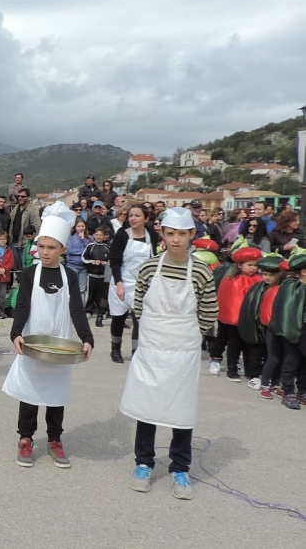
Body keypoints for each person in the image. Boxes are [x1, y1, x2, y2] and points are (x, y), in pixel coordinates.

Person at [120, 207, 217, 500]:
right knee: (146, 408)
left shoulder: (200, 270)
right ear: (162, 234)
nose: (176, 240)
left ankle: (180, 467)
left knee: (181, 410)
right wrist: (155, 332)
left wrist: (186, 334)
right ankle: (143, 463)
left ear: (192, 235)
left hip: (184, 351)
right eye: (171, 233)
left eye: (182, 234)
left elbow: (209, 312)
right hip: (152, 349)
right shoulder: (150, 267)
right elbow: (138, 306)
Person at [4, 206, 94, 468]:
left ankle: (55, 440)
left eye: (51, 247)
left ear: (63, 249)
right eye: (41, 246)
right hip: (33, 343)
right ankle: (25, 438)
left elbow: (76, 309)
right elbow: (22, 306)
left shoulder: (71, 276)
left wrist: (87, 338)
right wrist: (16, 333)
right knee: (30, 395)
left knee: (56, 397)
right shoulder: (31, 273)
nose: (44, 252)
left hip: (60, 346)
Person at [108, 204, 158, 363]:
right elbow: (114, 262)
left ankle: (136, 350)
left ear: (146, 218)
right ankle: (115, 348)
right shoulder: (122, 235)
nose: (133, 218)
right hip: (122, 278)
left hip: (142, 281)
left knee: (139, 317)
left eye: (137, 215)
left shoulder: (152, 235)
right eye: (131, 215)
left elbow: (155, 258)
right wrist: (119, 284)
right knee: (119, 317)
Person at [206, 246, 263, 381]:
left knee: (245, 345)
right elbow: (231, 301)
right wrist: (235, 318)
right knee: (232, 343)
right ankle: (229, 367)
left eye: (255, 265)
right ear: (239, 265)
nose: (253, 268)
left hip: (248, 321)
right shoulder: (232, 280)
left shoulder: (258, 280)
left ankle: (246, 369)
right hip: (233, 320)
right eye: (249, 265)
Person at [238, 253, 285, 396]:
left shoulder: (283, 287)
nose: (267, 278)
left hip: (274, 327)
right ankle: (253, 376)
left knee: (273, 355)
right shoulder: (258, 288)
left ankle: (272, 381)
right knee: (256, 352)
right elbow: (250, 308)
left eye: (271, 275)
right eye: (264, 274)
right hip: (258, 326)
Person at [269, 253, 306, 409]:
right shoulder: (292, 287)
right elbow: (285, 310)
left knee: (305, 363)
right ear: (304, 271)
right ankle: (288, 392)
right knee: (290, 361)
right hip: (291, 330)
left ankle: (303, 391)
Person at [83, 226, 111, 326]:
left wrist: (106, 263)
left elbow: (112, 260)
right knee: (90, 294)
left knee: (103, 295)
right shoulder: (90, 246)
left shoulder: (107, 247)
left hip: (103, 276)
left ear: (104, 237)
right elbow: (84, 258)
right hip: (92, 275)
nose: (98, 237)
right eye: (97, 235)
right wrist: (94, 262)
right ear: (94, 235)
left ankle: (102, 312)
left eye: (101, 235)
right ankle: (89, 311)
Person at [9, 189, 40, 270]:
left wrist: (31, 241)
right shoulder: (16, 208)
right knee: (16, 267)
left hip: (25, 243)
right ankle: (20, 282)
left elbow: (37, 227)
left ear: (28, 197)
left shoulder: (33, 210)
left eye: (23, 196)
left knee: (26, 266)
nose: (20, 198)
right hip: (14, 242)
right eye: (18, 196)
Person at [66, 218, 93, 305]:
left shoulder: (90, 238)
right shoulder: (70, 237)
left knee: (82, 289)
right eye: (78, 226)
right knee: (71, 287)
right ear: (75, 227)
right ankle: (70, 305)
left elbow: (90, 250)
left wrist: (83, 240)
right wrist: (83, 252)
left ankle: (80, 307)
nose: (81, 228)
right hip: (72, 265)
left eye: (82, 226)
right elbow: (70, 250)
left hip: (84, 267)